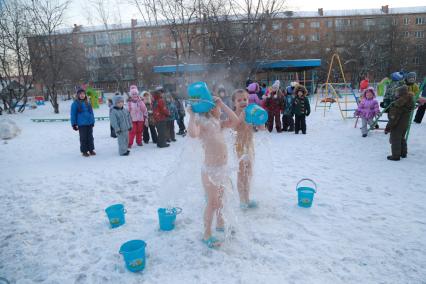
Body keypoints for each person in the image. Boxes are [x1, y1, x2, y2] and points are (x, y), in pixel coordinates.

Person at [187, 95, 239, 248]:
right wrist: (192, 116)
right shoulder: (202, 123)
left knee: (222, 199)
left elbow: (235, 121)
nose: (220, 110)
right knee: (212, 202)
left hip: (222, 169)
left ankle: (220, 224)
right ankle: (206, 234)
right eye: (217, 107)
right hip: (210, 171)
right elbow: (193, 133)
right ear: (210, 109)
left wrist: (222, 104)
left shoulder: (218, 123)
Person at [232, 89, 262, 209]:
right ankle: (242, 200)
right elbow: (234, 127)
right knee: (241, 174)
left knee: (249, 173)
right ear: (234, 103)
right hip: (239, 146)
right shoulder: (234, 114)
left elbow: (260, 127)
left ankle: (247, 198)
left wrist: (261, 120)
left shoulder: (251, 113)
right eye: (239, 100)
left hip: (250, 146)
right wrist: (242, 116)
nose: (243, 102)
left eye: (245, 99)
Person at [384, 85, 415, 161]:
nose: (395, 94)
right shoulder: (408, 101)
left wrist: (388, 127)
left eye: (397, 92)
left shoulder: (398, 104)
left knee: (395, 140)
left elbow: (393, 118)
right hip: (404, 124)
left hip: (397, 125)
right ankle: (403, 153)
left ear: (401, 94)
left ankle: (395, 156)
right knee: (401, 138)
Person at [70, 89, 96, 157]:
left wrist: (93, 121)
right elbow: (73, 114)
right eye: (80, 94)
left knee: (90, 137)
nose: (82, 95)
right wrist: (74, 124)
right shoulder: (75, 104)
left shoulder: (88, 102)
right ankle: (84, 151)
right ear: (78, 95)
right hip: (81, 124)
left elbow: (91, 113)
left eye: (83, 94)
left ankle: (91, 149)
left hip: (89, 123)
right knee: (83, 138)